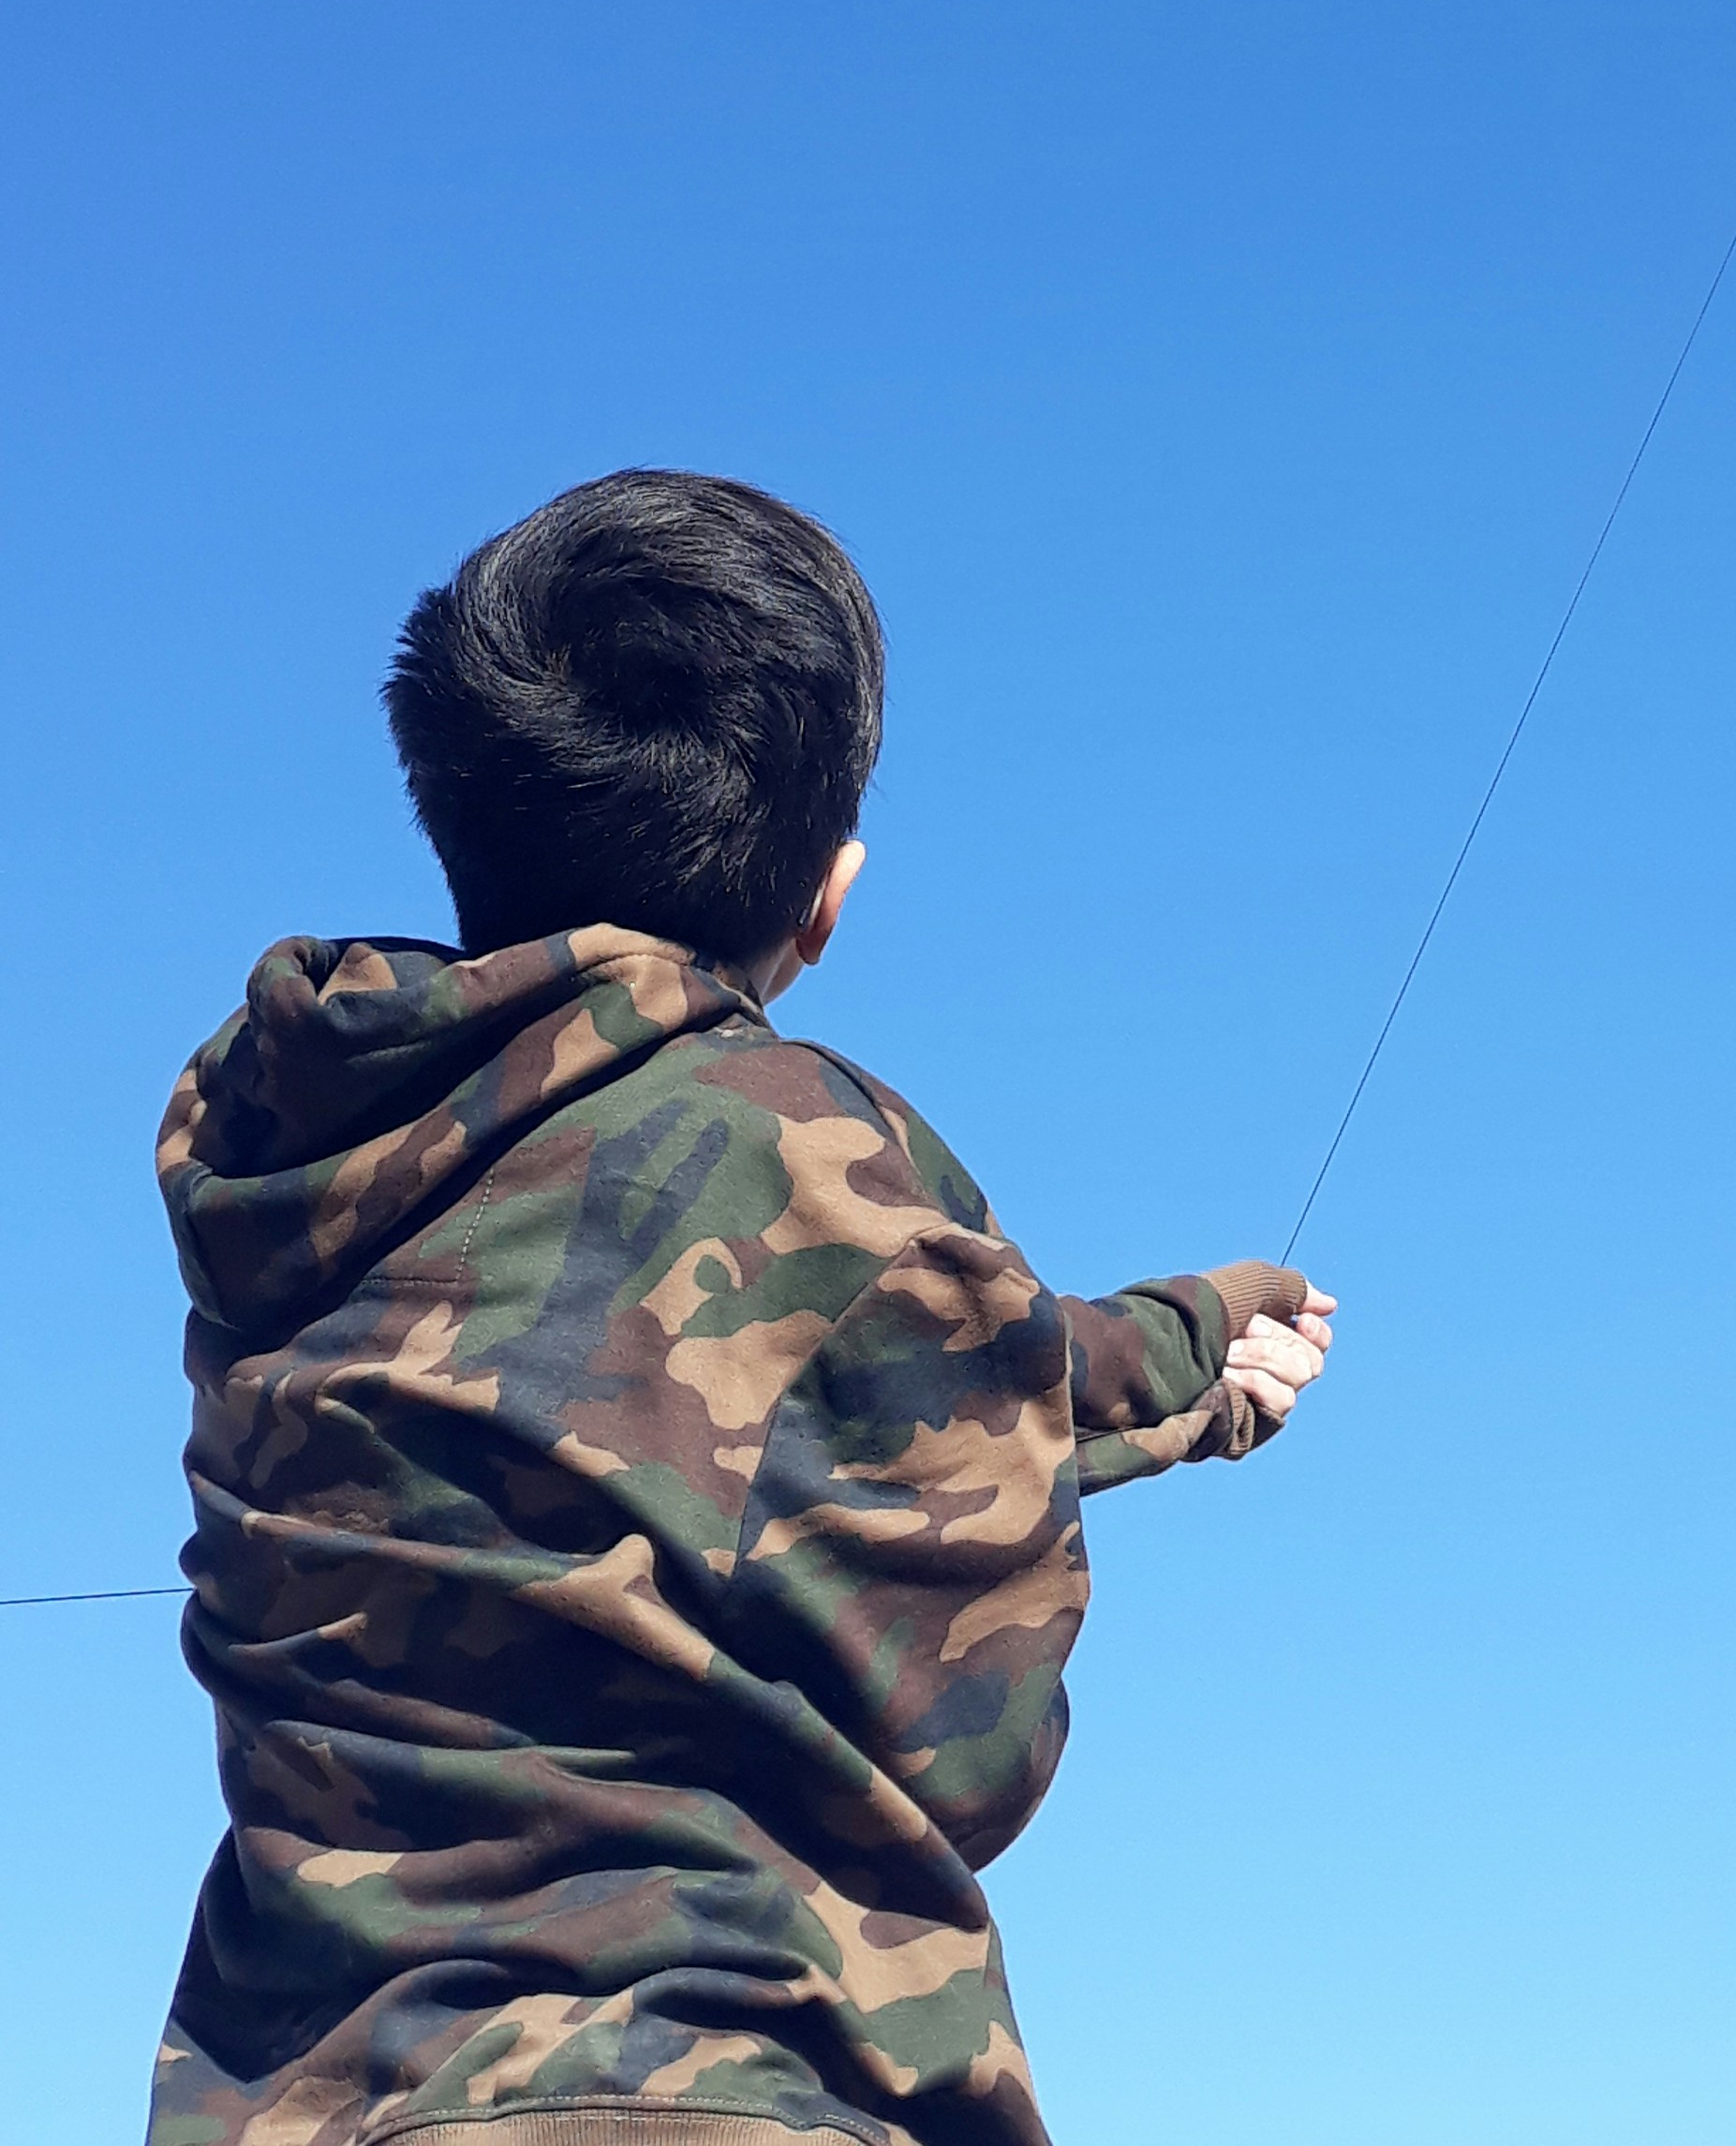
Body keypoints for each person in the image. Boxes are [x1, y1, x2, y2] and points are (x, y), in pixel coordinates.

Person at [149, 469, 1334, 2146]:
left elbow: (751, 1394)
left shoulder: (292, 1156)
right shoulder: (806, 1141)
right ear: (826, 898)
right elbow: (977, 1724)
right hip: (709, 2096)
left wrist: (1199, 1359)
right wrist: (1193, 1373)